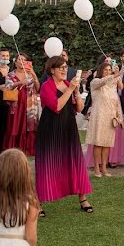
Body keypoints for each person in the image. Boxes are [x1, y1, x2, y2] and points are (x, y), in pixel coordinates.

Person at [35, 56, 93, 214]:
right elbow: (57, 106)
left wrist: (76, 91)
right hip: (50, 130)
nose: (63, 70)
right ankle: (38, 202)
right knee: (47, 164)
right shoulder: (46, 86)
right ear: (52, 70)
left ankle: (83, 198)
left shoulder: (69, 84)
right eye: (60, 67)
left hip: (68, 128)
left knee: (74, 162)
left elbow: (79, 108)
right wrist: (69, 90)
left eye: (65, 67)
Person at [85, 61, 124, 178]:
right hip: (99, 116)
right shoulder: (95, 82)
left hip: (110, 116)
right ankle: (97, 167)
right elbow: (104, 81)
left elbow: (116, 101)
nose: (107, 72)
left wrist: (119, 117)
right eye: (105, 70)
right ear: (101, 71)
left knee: (107, 144)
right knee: (98, 143)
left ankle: (104, 167)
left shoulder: (112, 84)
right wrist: (116, 75)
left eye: (109, 70)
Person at [2, 53, 39, 157]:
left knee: (29, 125)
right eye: (19, 59)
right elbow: (8, 87)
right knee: (15, 125)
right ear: (15, 61)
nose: (21, 61)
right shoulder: (11, 74)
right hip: (16, 104)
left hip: (30, 104)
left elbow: (37, 87)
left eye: (24, 60)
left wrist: (33, 73)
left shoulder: (30, 74)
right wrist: (19, 83)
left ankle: (28, 149)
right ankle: (13, 149)